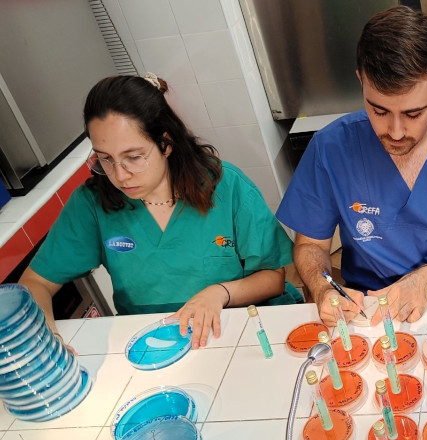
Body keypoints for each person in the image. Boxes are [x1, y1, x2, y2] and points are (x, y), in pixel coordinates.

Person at [18, 73, 300, 349]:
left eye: (133, 157)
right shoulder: (91, 203)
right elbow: (35, 282)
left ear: (165, 144)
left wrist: (220, 293)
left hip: (237, 328)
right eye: (105, 159)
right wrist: (46, 340)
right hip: (152, 343)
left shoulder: (225, 187)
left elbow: (273, 278)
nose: (120, 175)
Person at [276, 6, 427, 326]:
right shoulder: (331, 148)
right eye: (379, 110)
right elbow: (311, 245)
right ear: (361, 82)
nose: (395, 132)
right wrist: (321, 288)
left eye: (413, 114)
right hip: (370, 309)